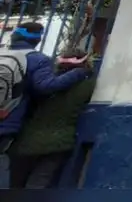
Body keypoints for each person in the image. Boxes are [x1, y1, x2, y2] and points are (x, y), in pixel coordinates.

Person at [0, 23, 91, 187]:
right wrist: (79, 73)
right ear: (37, 39)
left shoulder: (2, 54)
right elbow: (45, 87)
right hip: (8, 122)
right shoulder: (37, 59)